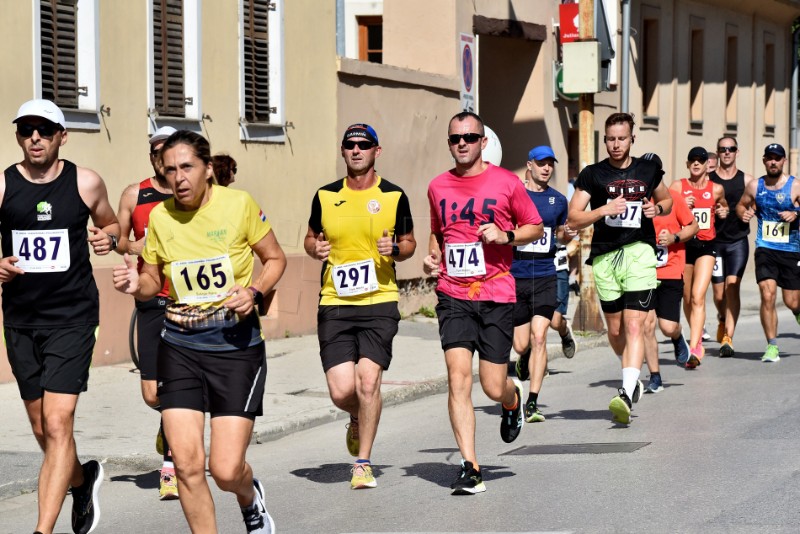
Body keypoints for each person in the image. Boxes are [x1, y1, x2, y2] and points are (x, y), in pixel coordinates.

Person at [113, 130, 285, 533]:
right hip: (179, 344)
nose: (179, 178)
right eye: (170, 169)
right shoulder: (159, 217)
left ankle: (248, 497)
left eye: (187, 167)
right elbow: (155, 279)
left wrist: (256, 290)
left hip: (234, 345)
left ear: (208, 169)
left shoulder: (238, 204)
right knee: (188, 467)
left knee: (224, 471)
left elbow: (275, 259)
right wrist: (137, 285)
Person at [1, 99, 119, 534]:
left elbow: (111, 224)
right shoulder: (3, 186)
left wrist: (107, 239)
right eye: (27, 129)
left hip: (72, 315)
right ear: (18, 136)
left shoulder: (85, 182)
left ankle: (41, 531)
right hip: (20, 319)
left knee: (57, 421)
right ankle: (80, 480)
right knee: (42, 426)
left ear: (61, 137)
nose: (35, 137)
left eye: (44, 130)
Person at [423, 111, 543, 494]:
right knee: (458, 378)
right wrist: (432, 259)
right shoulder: (437, 186)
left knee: (492, 386)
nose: (462, 143)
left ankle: (512, 399)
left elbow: (534, 226)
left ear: (482, 142)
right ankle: (470, 467)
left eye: (469, 137)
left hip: (495, 294)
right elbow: (438, 234)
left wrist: (504, 235)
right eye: (455, 138)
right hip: (453, 293)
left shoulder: (507, 182)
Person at [304, 123, 416, 489]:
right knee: (341, 391)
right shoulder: (324, 195)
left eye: (363, 145)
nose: (356, 150)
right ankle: (357, 416)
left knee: (369, 383)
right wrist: (314, 248)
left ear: (376, 151)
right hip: (335, 301)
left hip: (379, 300)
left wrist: (396, 250)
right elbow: (310, 237)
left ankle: (362, 463)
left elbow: (410, 242)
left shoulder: (394, 196)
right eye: (350, 145)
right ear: (343, 151)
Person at [566, 112, 672, 425]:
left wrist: (657, 208)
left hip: (640, 251)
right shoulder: (593, 175)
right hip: (604, 256)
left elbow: (666, 202)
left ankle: (625, 391)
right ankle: (631, 373)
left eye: (621, 138)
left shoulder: (648, 169)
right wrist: (603, 210)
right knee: (615, 331)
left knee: (635, 325)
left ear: (632, 139)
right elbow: (573, 217)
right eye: (610, 139)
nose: (615, 144)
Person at [114, 125, 178, 500]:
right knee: (152, 394)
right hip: (150, 299)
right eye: (155, 149)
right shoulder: (135, 193)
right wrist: (131, 244)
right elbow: (116, 237)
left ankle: (169, 466)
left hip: (185, 299)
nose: (161, 154)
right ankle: (168, 419)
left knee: (175, 386)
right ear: (151, 155)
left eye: (167, 148)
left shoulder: (192, 192)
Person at [511, 146, 573, 423]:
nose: (546, 168)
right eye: (541, 163)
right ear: (529, 165)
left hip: (546, 274)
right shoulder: (513, 195)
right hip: (515, 275)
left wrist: (568, 236)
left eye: (550, 164)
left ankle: (532, 403)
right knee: (520, 344)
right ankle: (523, 359)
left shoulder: (558, 201)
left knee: (539, 337)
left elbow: (560, 236)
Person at [735, 143, 800, 362]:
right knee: (767, 292)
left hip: (791, 249)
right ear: (764, 160)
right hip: (766, 247)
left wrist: (795, 213)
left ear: (784, 161)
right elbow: (741, 205)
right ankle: (771, 345)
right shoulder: (755, 186)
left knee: (792, 302)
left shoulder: (795, 186)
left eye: (777, 158)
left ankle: (798, 312)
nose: (773, 162)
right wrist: (743, 214)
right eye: (769, 158)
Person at [640, 153, 699, 392]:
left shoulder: (673, 199)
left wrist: (673, 237)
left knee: (666, 326)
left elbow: (693, 226)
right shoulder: (636, 201)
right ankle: (655, 376)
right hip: (643, 272)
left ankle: (677, 337)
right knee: (646, 324)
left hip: (671, 269)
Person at [670, 147, 728, 368]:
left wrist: (724, 212)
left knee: (697, 296)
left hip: (706, 246)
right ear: (688, 164)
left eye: (700, 160)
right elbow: (667, 212)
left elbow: (724, 208)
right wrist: (682, 206)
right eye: (692, 160)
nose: (696, 164)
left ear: (707, 165)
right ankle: (693, 333)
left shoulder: (716, 189)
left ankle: (695, 348)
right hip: (684, 246)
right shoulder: (677, 187)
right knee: (686, 298)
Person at [710, 137, 755, 356]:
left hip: (737, 241)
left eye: (731, 149)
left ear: (737, 152)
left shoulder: (747, 180)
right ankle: (721, 317)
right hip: (714, 242)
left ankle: (728, 337)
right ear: (717, 153)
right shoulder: (708, 180)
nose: (727, 152)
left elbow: (758, 202)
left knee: (732, 286)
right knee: (719, 294)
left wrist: (751, 211)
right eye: (723, 149)